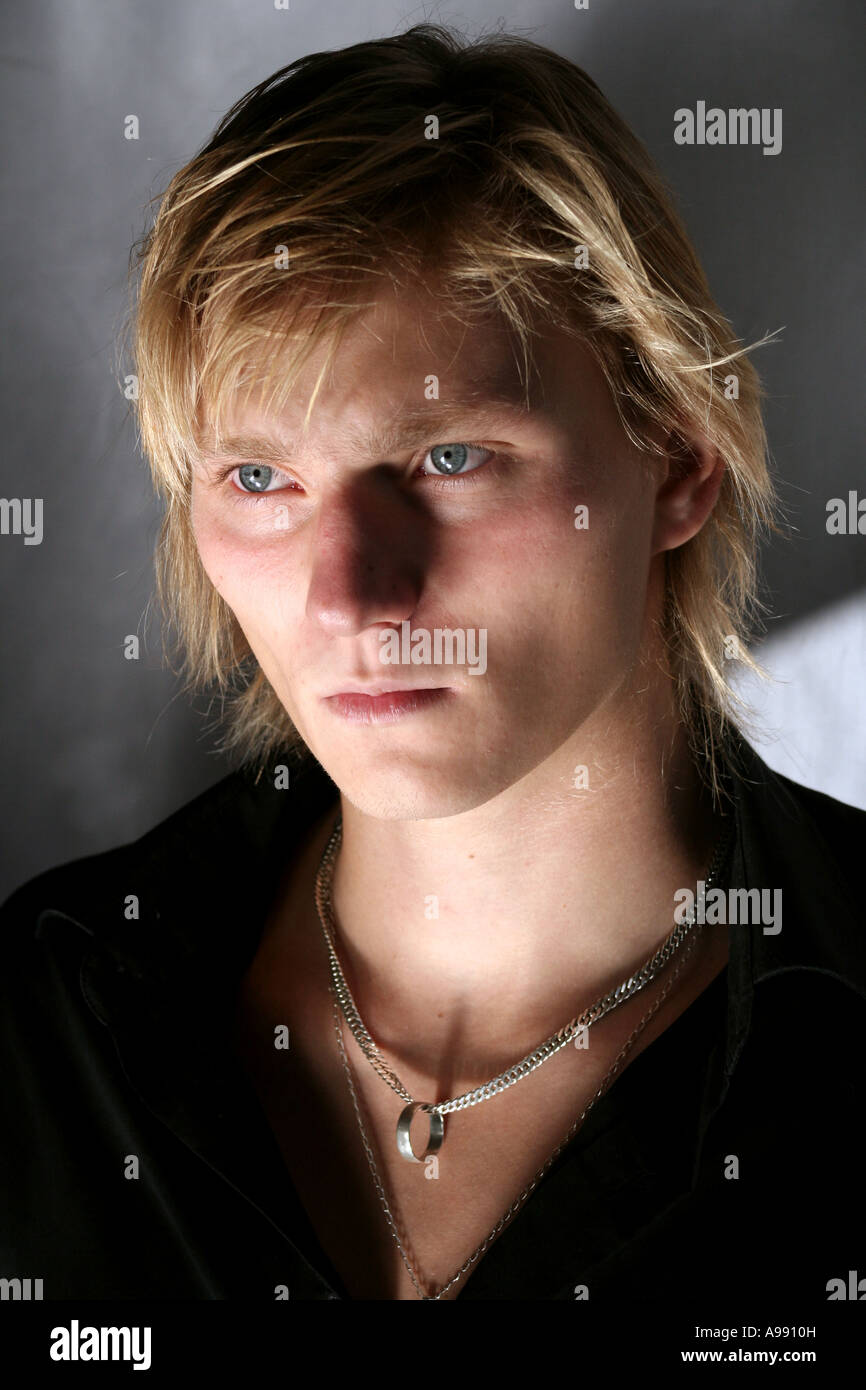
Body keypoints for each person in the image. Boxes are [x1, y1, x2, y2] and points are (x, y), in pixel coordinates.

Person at [1, 24, 864, 1308]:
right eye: (259, 479)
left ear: (678, 460)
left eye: (448, 458)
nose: (349, 592)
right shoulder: (47, 1017)